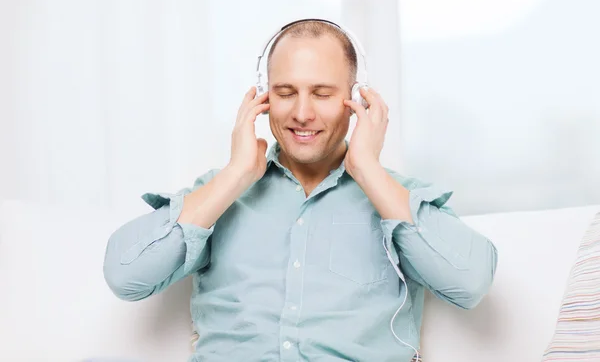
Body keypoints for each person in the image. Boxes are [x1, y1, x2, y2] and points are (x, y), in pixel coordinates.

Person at [103, 19, 498, 362]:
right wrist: (237, 173)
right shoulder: (218, 193)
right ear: (263, 97)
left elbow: (470, 281)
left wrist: (367, 170)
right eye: (286, 92)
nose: (302, 113)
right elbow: (126, 275)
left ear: (356, 100)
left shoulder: (398, 198)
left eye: (322, 94)